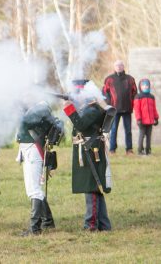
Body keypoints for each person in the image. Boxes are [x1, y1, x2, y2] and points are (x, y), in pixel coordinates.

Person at [63, 79, 114, 231]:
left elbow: (80, 124)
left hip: (91, 151)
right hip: (90, 150)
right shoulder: (90, 108)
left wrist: (69, 108)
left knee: (91, 188)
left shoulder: (92, 110)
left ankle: (91, 225)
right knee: (95, 188)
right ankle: (104, 225)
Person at [16, 101, 64, 235]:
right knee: (33, 189)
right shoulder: (37, 108)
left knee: (34, 190)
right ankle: (48, 221)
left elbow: (25, 121)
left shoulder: (41, 109)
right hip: (29, 150)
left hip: (33, 150)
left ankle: (35, 228)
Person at [102, 60, 137, 155]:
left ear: (123, 66)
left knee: (128, 130)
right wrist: (109, 104)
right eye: (117, 65)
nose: (119, 67)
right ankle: (112, 149)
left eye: (120, 65)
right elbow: (105, 92)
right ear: (114, 67)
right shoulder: (109, 79)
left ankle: (129, 149)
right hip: (114, 110)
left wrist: (132, 104)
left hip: (127, 109)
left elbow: (135, 92)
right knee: (113, 130)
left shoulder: (130, 79)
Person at [134, 78, 160, 155]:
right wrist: (138, 119)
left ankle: (148, 150)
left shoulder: (152, 97)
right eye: (143, 85)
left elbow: (154, 108)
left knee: (149, 136)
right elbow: (137, 109)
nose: (145, 87)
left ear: (149, 86)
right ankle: (140, 150)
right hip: (142, 121)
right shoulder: (138, 97)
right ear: (140, 87)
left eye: (147, 85)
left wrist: (156, 118)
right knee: (141, 136)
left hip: (150, 121)